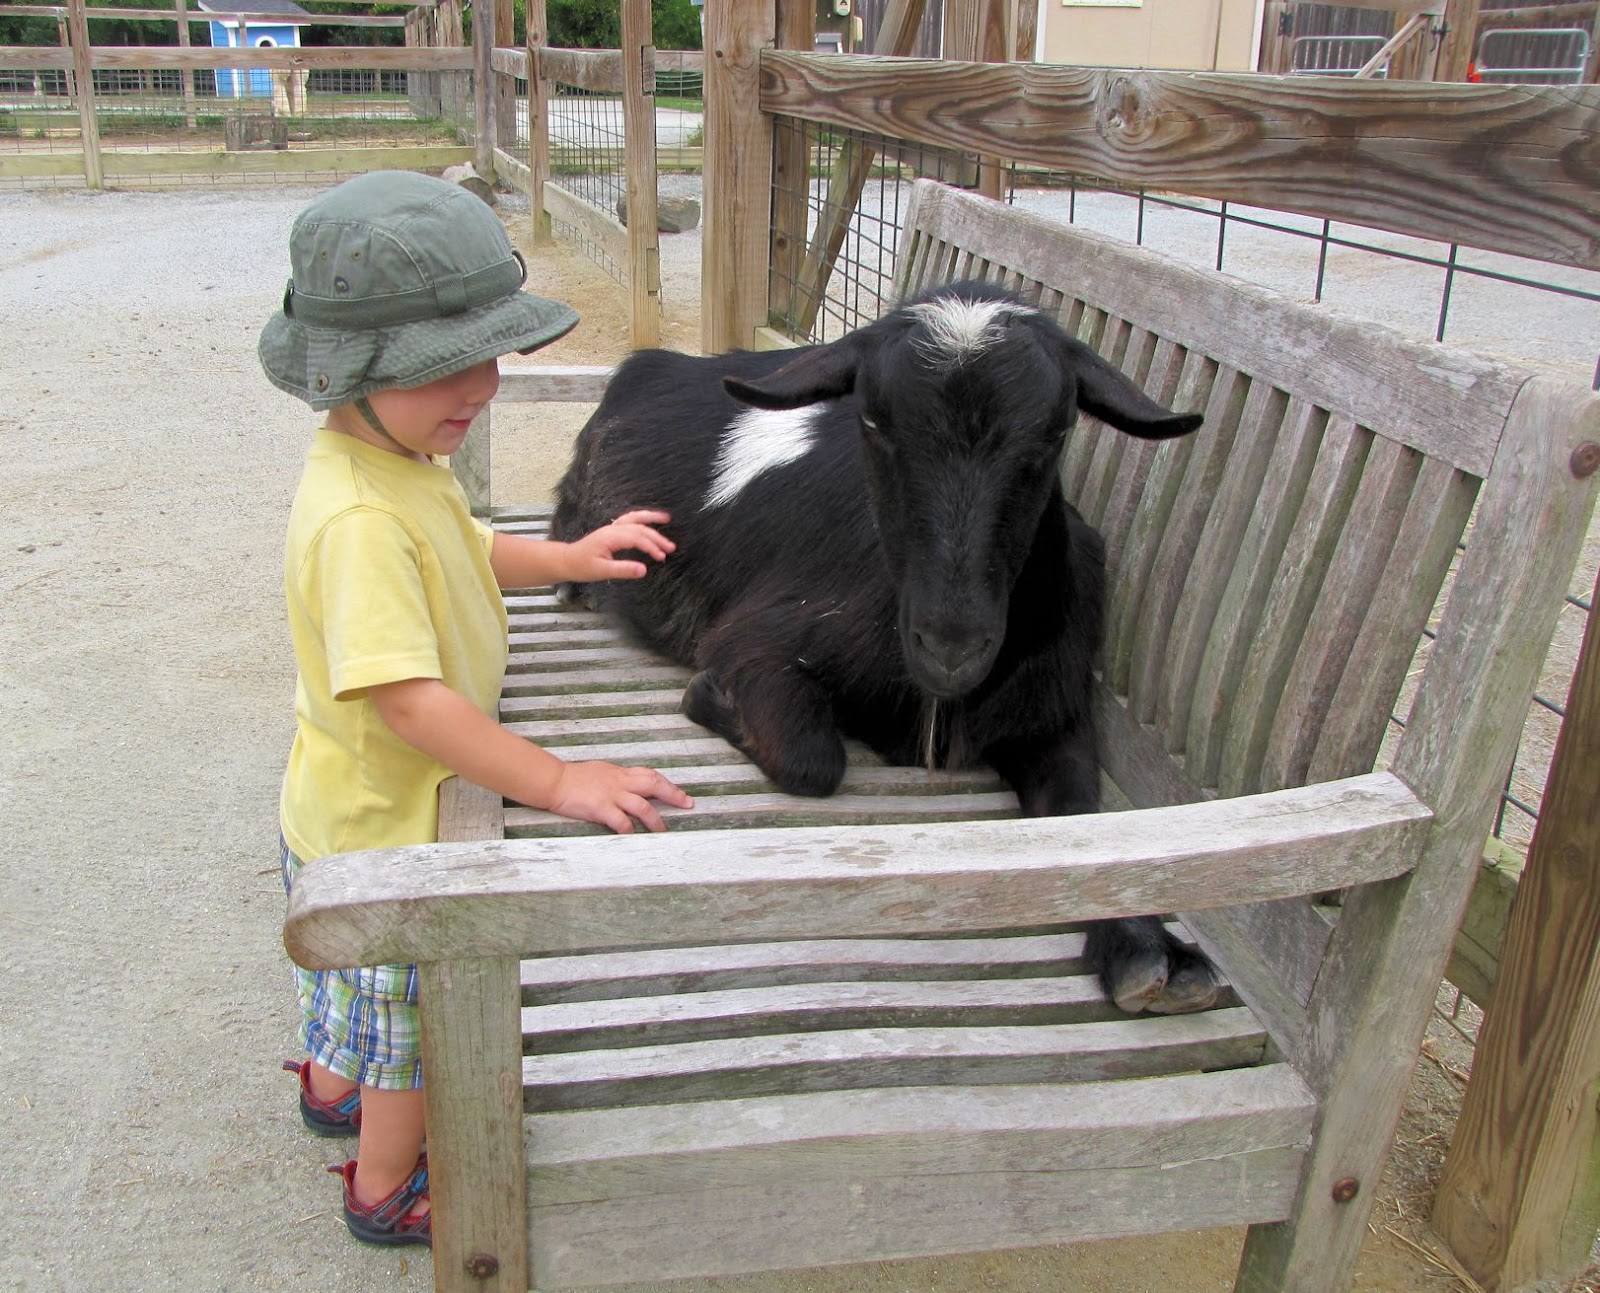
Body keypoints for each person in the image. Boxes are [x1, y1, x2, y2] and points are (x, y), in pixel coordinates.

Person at [259, 170, 693, 1249]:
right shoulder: (357, 520)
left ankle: (328, 1089)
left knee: (353, 999)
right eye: (447, 369)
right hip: (390, 837)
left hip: (341, 814)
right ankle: (385, 1185)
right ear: (349, 375)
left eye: (490, 358)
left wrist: (566, 556)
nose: (485, 386)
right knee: (412, 1027)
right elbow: (407, 704)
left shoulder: (401, 462)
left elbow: (466, 549)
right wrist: (555, 780)